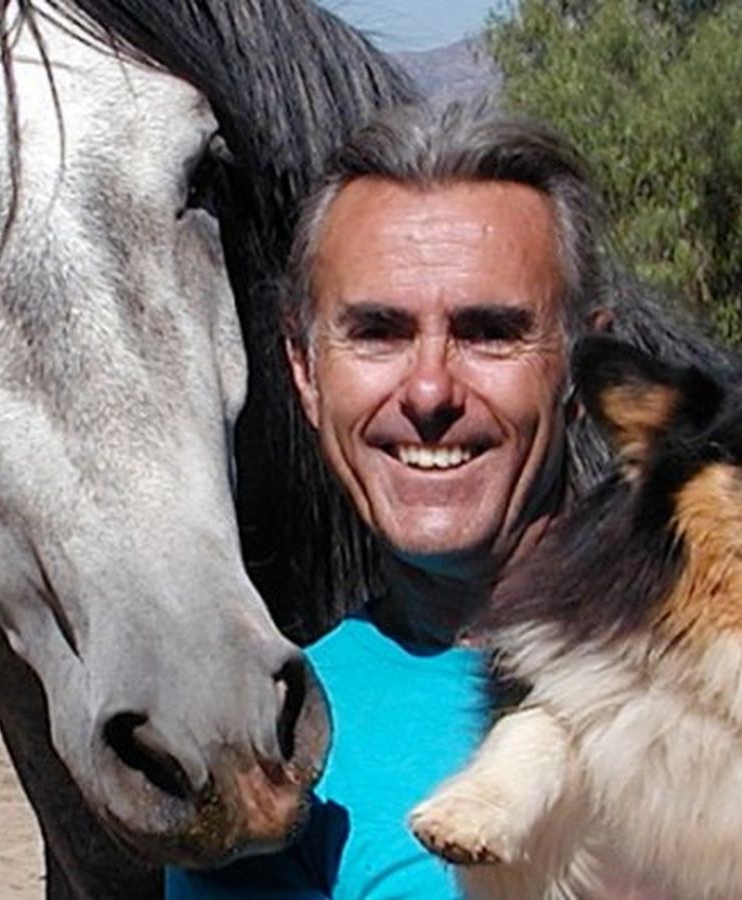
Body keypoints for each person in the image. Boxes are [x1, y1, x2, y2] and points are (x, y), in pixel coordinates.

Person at [166, 100, 708, 899]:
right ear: (306, 371)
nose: (429, 390)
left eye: (489, 333)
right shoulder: (267, 740)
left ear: (578, 373)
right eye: (377, 332)